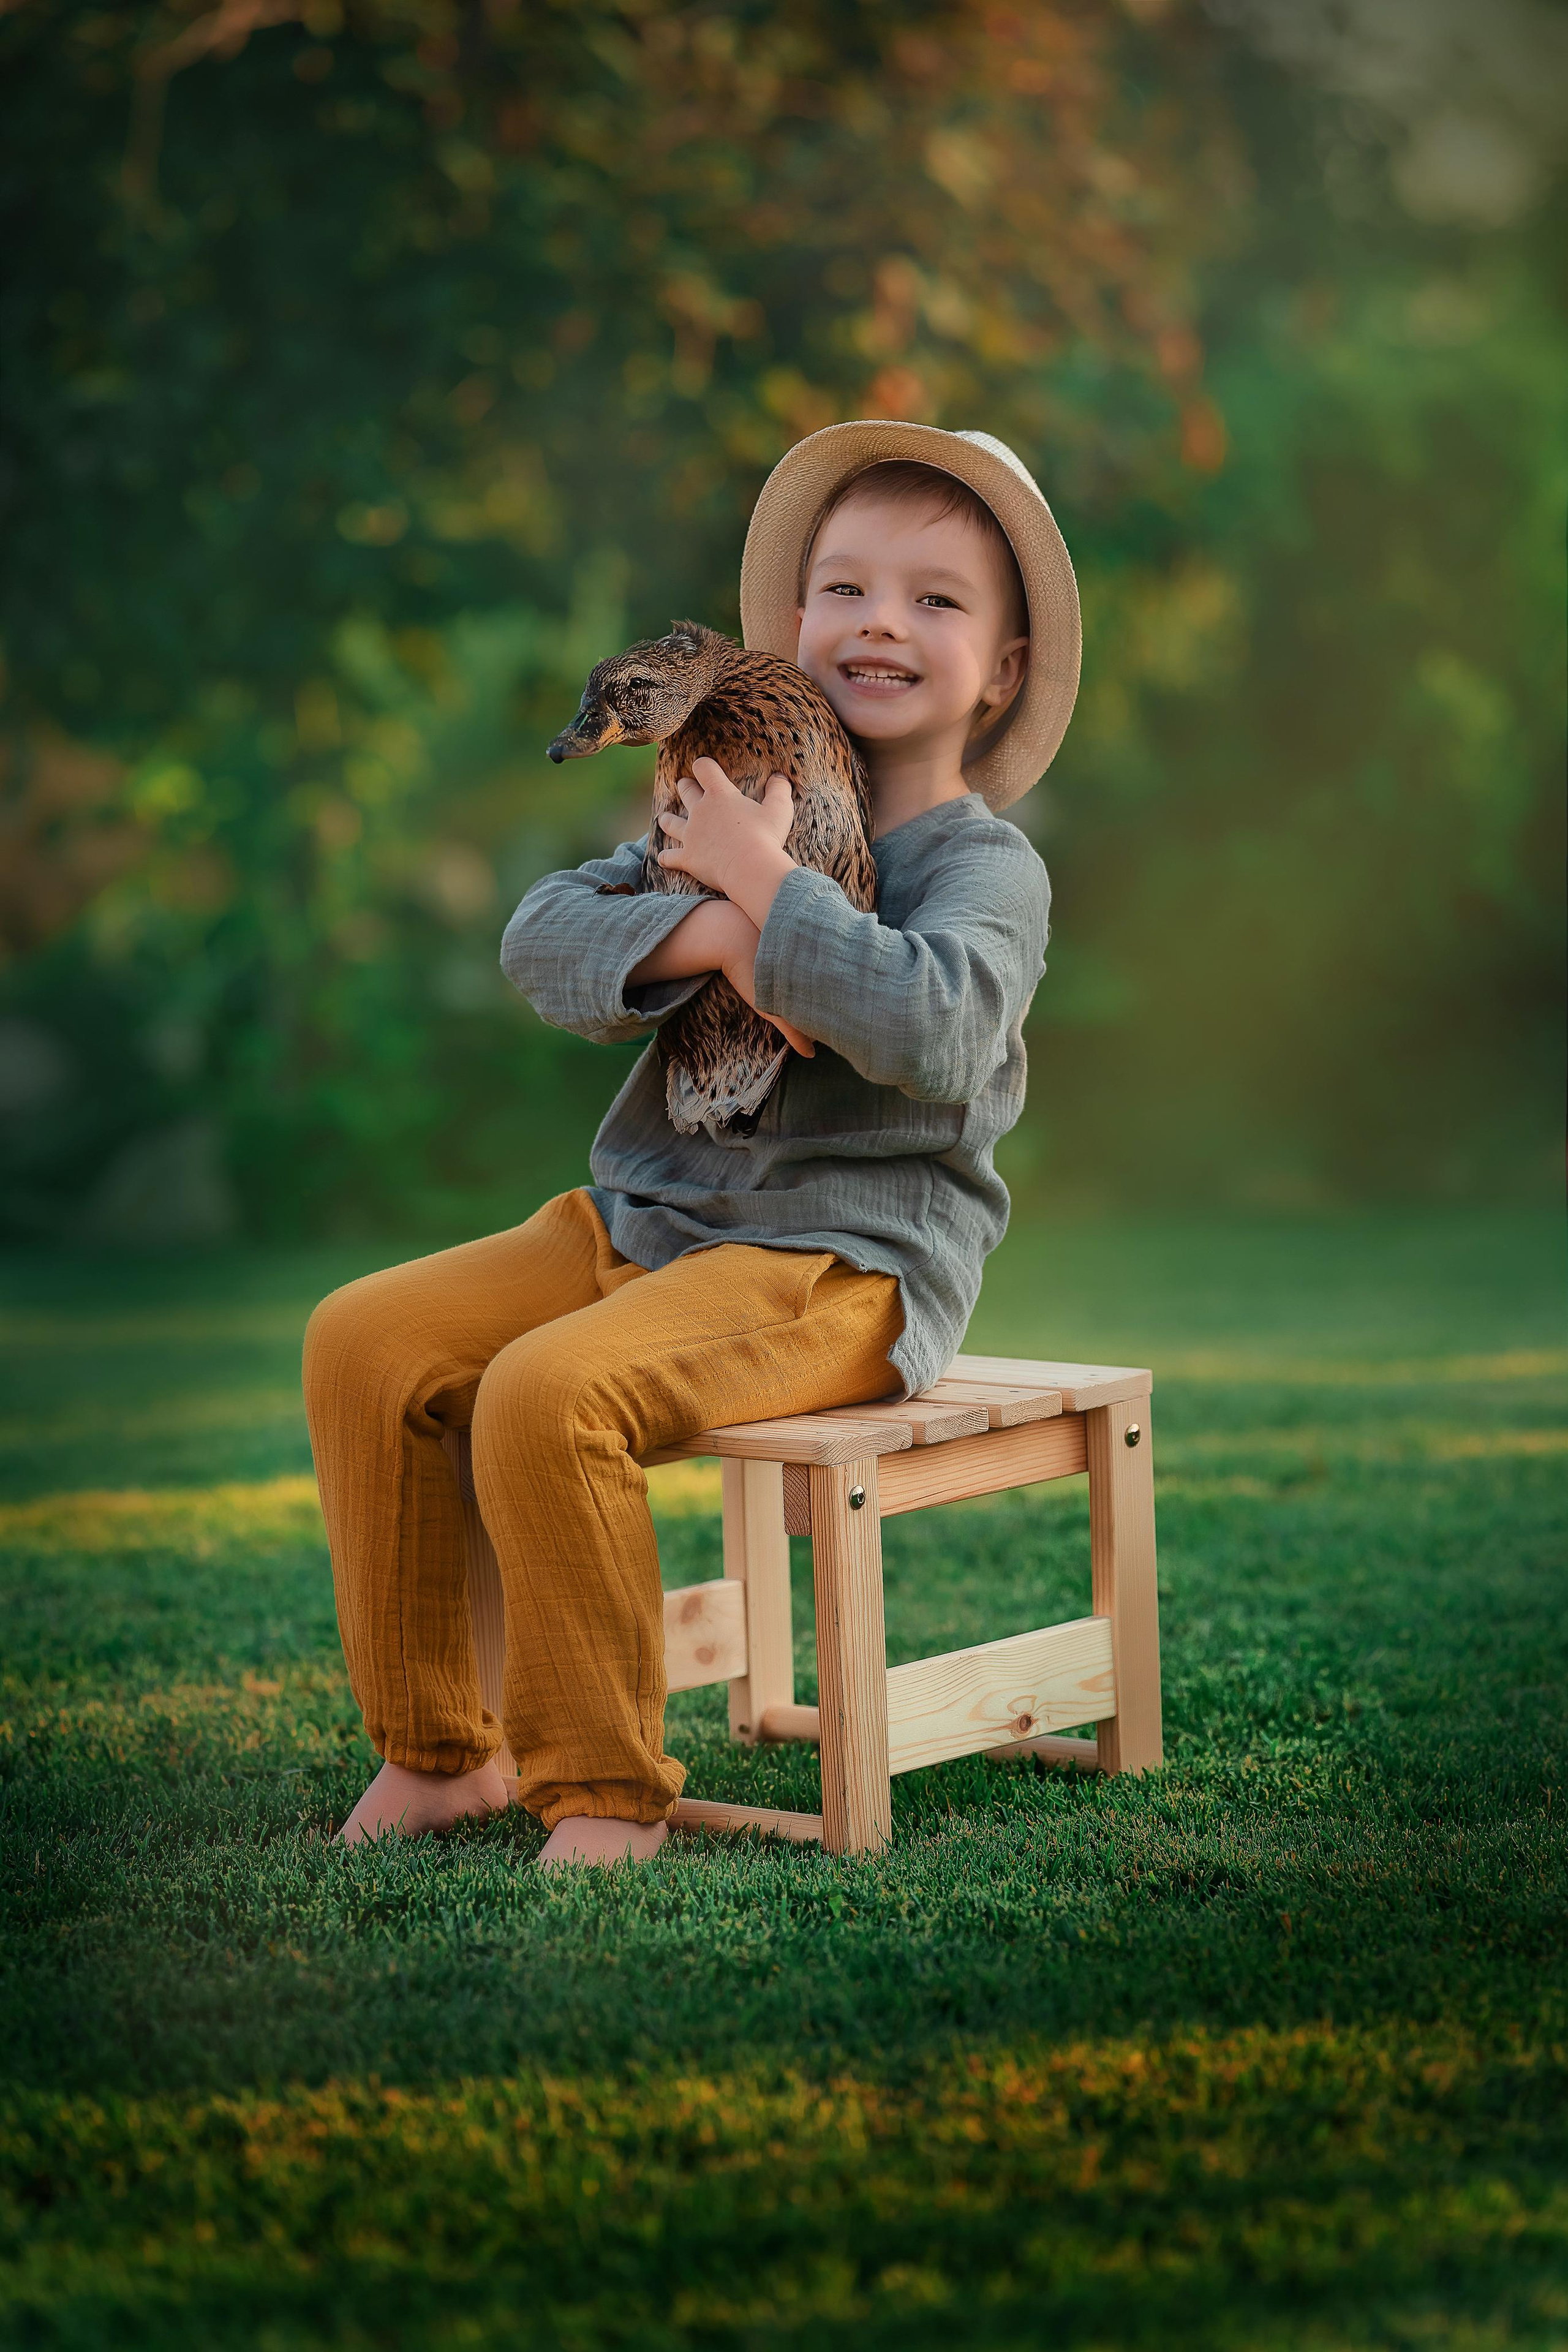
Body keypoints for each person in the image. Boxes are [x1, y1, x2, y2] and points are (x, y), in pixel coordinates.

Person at [303, 422, 1080, 1868]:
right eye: (843, 588)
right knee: (365, 1339)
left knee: (546, 1396)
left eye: (934, 599)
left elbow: (935, 1030)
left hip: (837, 1257)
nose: (878, 625)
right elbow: (542, 940)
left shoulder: (982, 867)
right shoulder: (718, 791)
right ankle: (436, 1754)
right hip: (643, 1219)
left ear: (1008, 665)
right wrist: (719, 911)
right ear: (791, 622)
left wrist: (767, 890)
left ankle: (601, 1791)